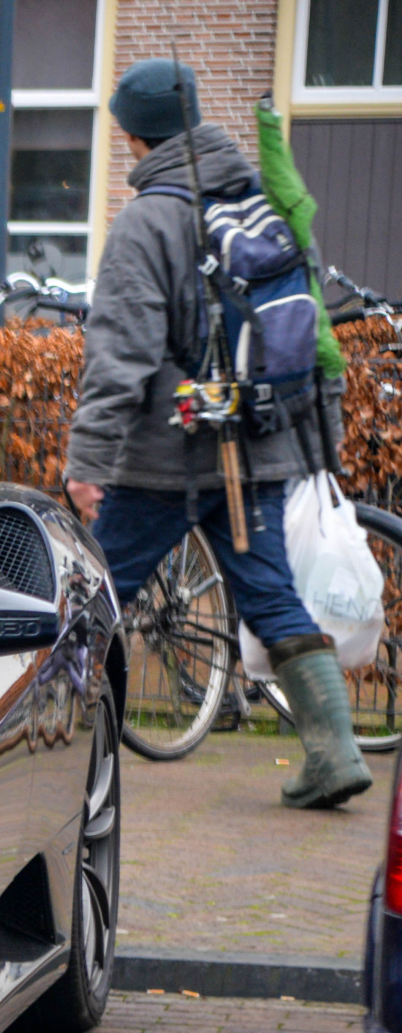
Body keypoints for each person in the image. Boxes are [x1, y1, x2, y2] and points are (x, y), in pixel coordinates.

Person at [63, 58, 371, 809]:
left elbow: (121, 354)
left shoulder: (148, 221)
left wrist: (87, 461)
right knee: (268, 592)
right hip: (256, 445)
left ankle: (51, 748)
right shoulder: (257, 197)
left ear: (132, 132)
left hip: (165, 458)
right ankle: (335, 752)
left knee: (90, 591)